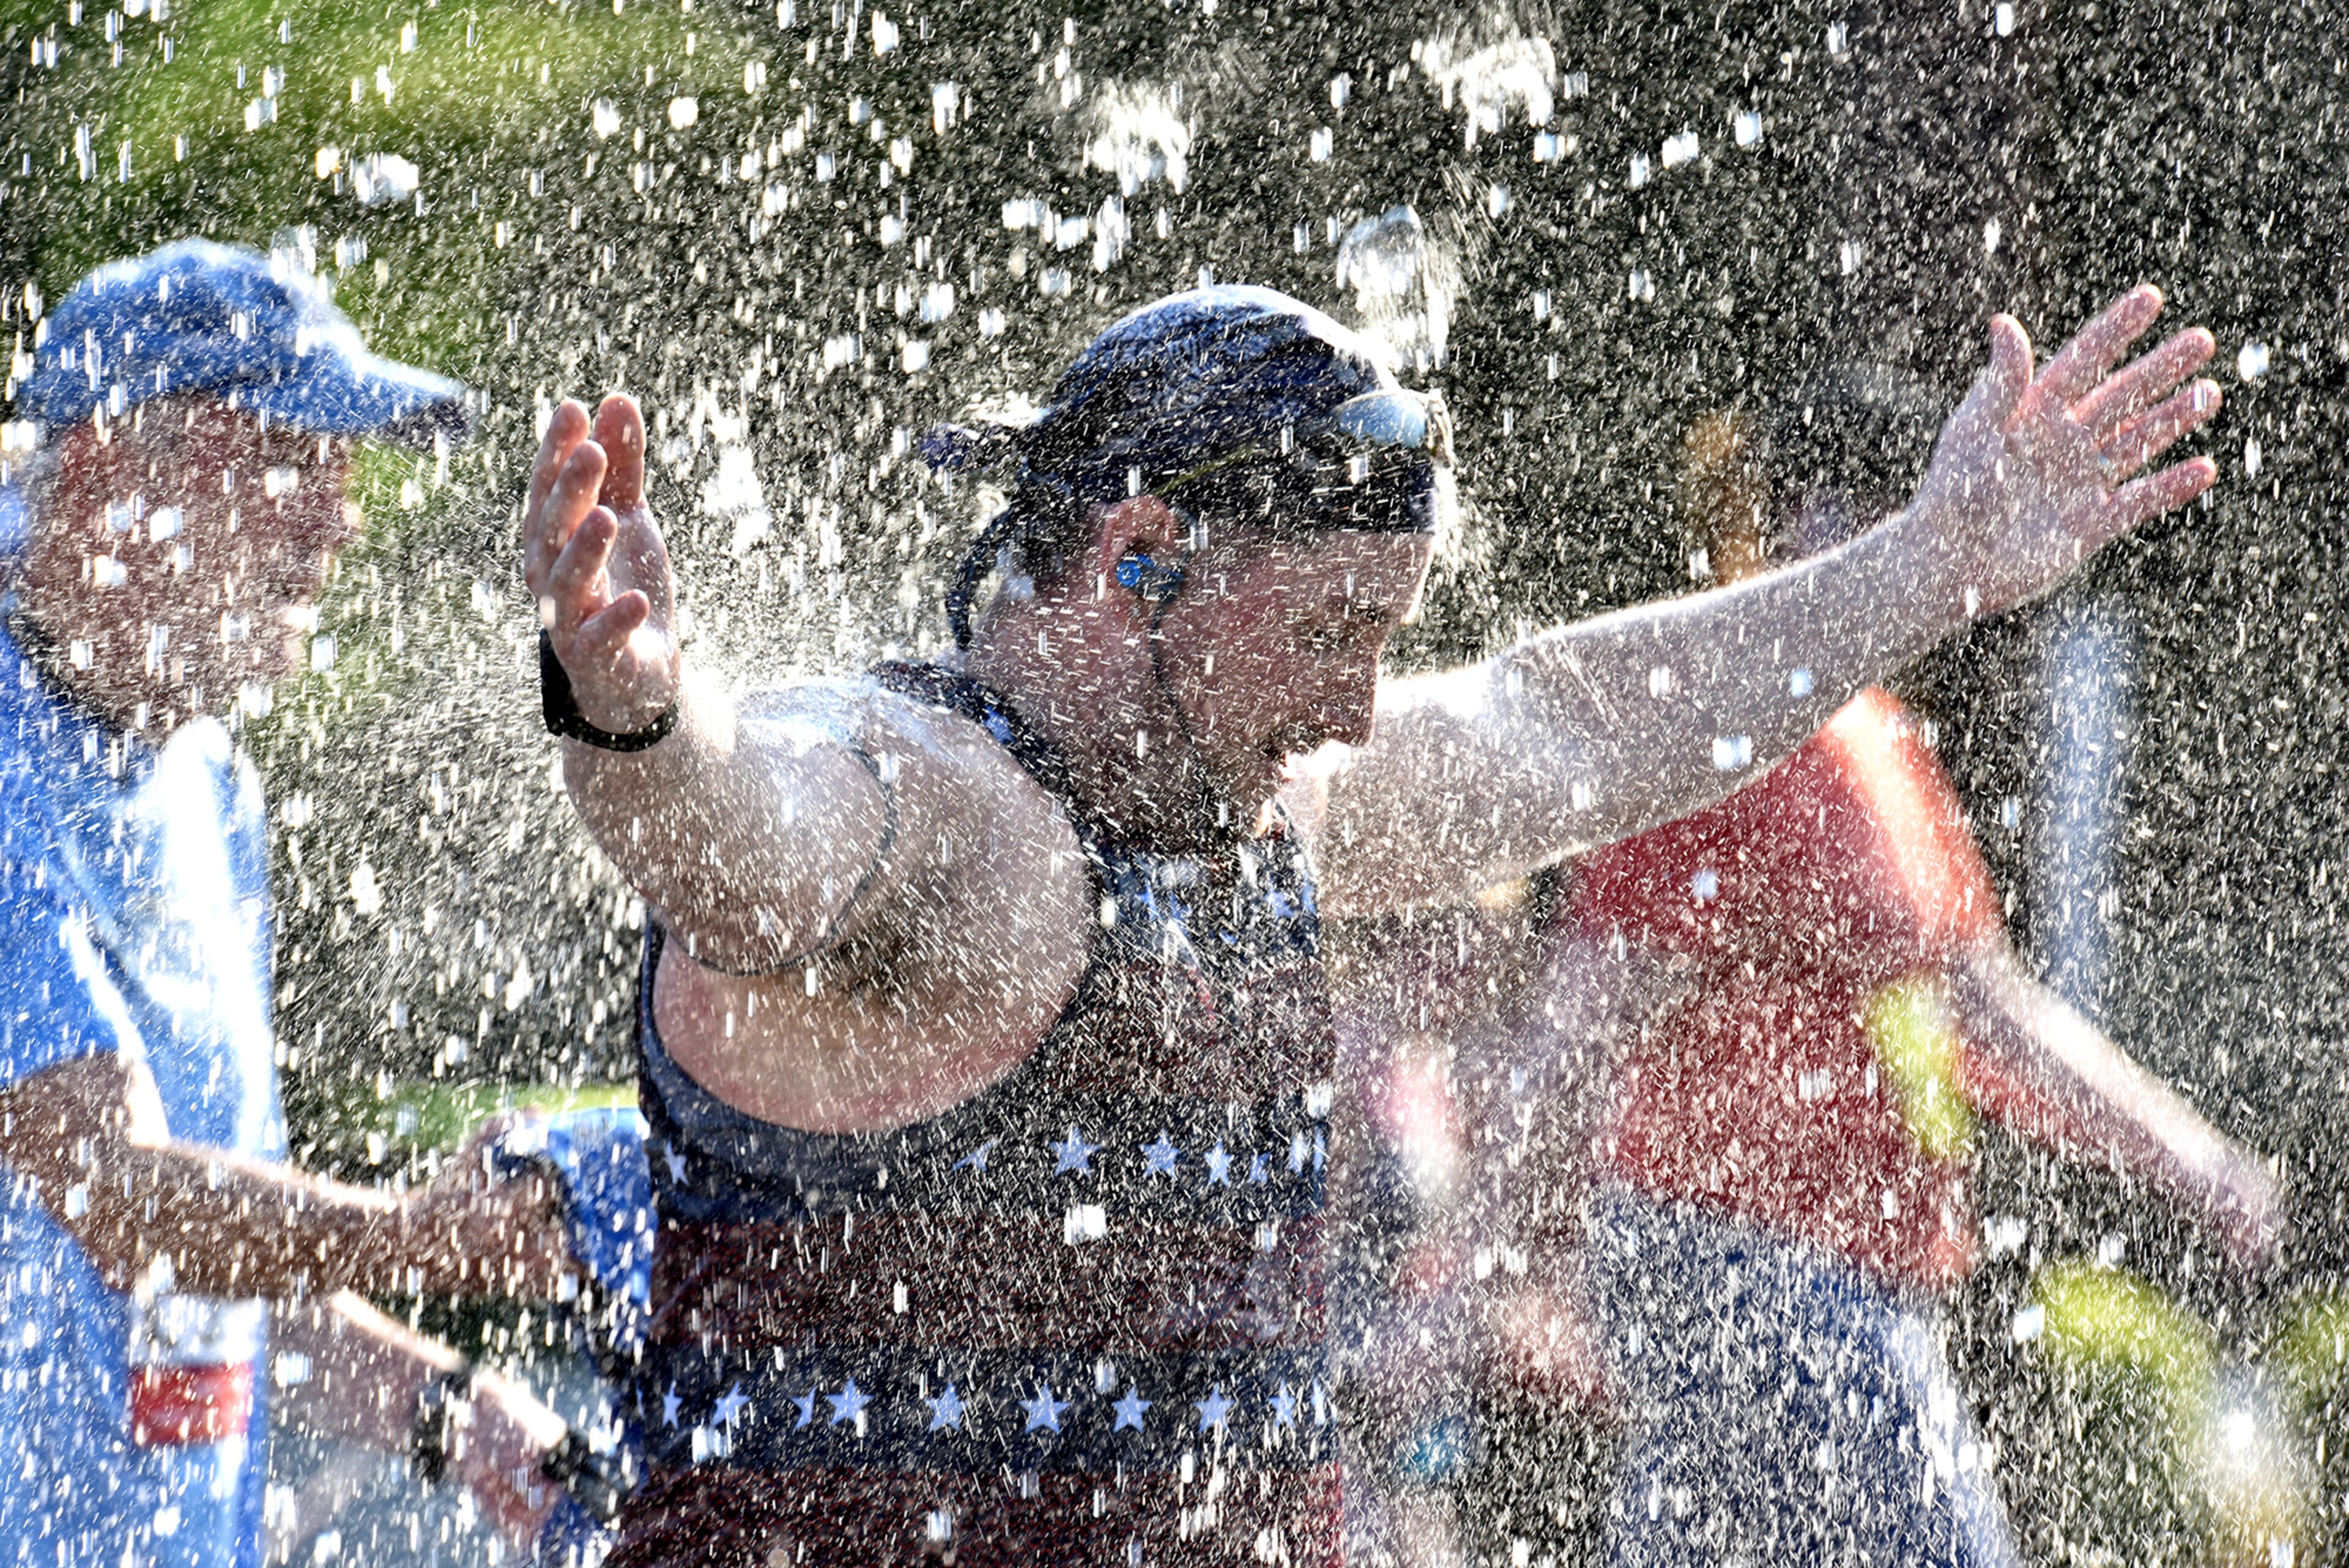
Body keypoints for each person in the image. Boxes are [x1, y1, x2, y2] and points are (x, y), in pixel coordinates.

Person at [521, 278, 2221, 1564]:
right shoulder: (940, 804)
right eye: (1336, 632)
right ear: (1138, 555)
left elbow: (1568, 721)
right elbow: (745, 840)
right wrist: (639, 720)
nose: (1355, 712)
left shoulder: (1260, 806)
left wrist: (1937, 561)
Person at [1453, 383, 2281, 1568]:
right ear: (1763, 533)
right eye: (1832, 515)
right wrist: (1484, 1257)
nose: (1875, 541)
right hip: (1736, 1258)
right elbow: (1589, 1017)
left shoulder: (1875, 738)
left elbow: (1986, 1014)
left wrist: (2191, 1161)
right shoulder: (1716, 730)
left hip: (1816, 1267)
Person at [0, 239, 583, 1568]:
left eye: (342, 468)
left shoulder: (209, 788)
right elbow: (118, 1192)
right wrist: (422, 1236)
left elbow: (213, 1267)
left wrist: (451, 1409)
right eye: (283, 460)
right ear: (98, 472)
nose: (338, 520)